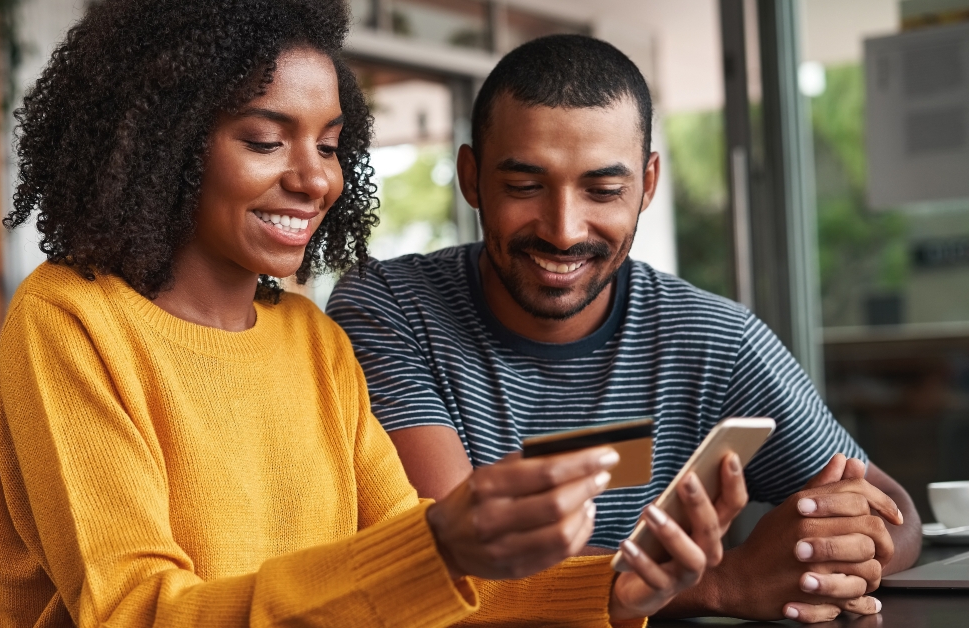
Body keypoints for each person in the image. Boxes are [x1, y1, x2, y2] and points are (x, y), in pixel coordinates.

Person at [0, 2, 748, 627]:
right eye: (267, 140)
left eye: (333, 146)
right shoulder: (71, 321)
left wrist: (612, 592)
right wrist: (438, 545)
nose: (314, 179)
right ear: (165, 144)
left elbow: (411, 585)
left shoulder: (312, 340)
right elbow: (133, 612)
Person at [327, 34, 921, 625]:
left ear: (648, 184)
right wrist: (724, 583)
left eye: (603, 190)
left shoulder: (713, 339)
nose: (563, 230)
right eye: (524, 186)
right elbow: (454, 565)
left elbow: (895, 513)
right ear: (472, 177)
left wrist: (830, 549)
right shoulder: (389, 309)